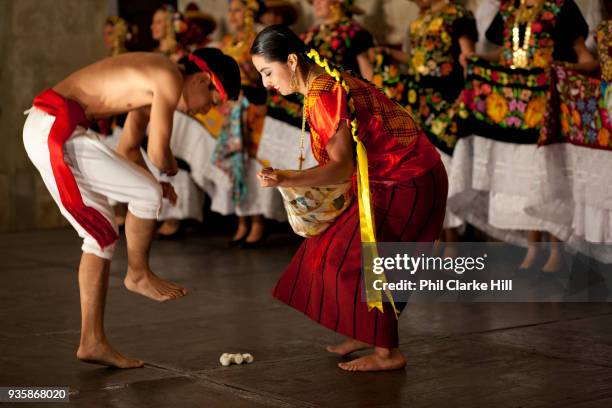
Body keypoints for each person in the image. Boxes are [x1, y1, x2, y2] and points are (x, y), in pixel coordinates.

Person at [22, 48, 241, 368]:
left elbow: (128, 148)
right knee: (146, 194)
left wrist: (153, 181)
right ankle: (138, 274)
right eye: (211, 100)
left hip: (55, 129)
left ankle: (92, 342)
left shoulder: (153, 83)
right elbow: (157, 153)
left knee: (103, 237)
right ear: (202, 80)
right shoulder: (167, 75)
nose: (205, 110)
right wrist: (167, 175)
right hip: (55, 130)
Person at [251, 25, 447, 372]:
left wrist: (288, 178)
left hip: (408, 178)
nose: (266, 83)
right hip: (399, 175)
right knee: (329, 250)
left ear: (292, 61)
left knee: (364, 262)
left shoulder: (324, 94)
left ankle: (388, 353)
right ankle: (365, 329)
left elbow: (340, 167)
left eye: (268, 71)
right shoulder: (322, 81)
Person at [450, 0, 598, 273]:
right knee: (525, 176)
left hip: (548, 109)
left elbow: (587, 60)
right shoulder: (511, 8)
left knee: (546, 173)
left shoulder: (561, 8)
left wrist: (560, 68)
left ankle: (555, 249)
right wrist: (478, 60)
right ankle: (533, 247)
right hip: (515, 109)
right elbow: (509, 55)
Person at [373, 0, 478, 255]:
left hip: (448, 101)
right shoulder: (420, 21)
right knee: (426, 167)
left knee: (447, 167)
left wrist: (467, 96)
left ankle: (452, 238)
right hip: (421, 102)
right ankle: (437, 235)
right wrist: (388, 53)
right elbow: (418, 60)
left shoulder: (458, 16)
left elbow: (468, 59)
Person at [302, 0, 375, 79]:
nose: (316, 2)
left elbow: (368, 73)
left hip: (345, 89)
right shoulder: (309, 34)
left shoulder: (354, 32)